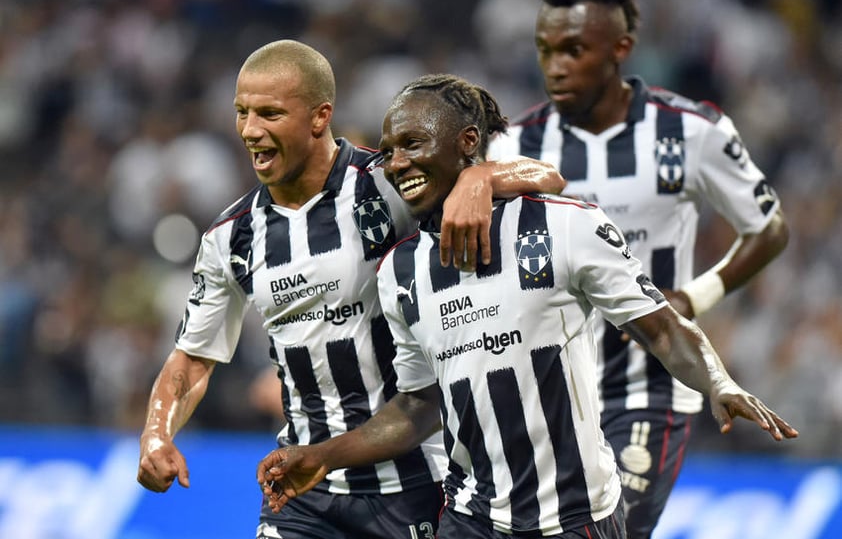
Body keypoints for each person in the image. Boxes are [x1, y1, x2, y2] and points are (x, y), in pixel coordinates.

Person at [256, 73, 798, 539]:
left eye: (413, 144)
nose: (397, 163)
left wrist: (717, 382)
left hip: (578, 516)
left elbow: (660, 328)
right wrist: (323, 457)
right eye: (390, 149)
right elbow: (417, 406)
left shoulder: (565, 225)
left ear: (468, 141)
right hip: (470, 518)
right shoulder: (401, 270)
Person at [135, 40, 565, 539]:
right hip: (300, 487)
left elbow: (546, 178)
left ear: (320, 117)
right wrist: (156, 432)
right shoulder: (231, 236)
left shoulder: (385, 181)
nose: (251, 130)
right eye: (242, 113)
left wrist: (482, 177)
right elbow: (192, 359)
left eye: (270, 113)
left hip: (416, 480)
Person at [485, 0, 791, 537]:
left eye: (574, 50)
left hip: (650, 383)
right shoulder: (514, 148)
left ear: (620, 49)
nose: (555, 67)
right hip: (550, 391)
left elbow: (769, 228)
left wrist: (694, 297)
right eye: (545, 50)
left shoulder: (691, 132)